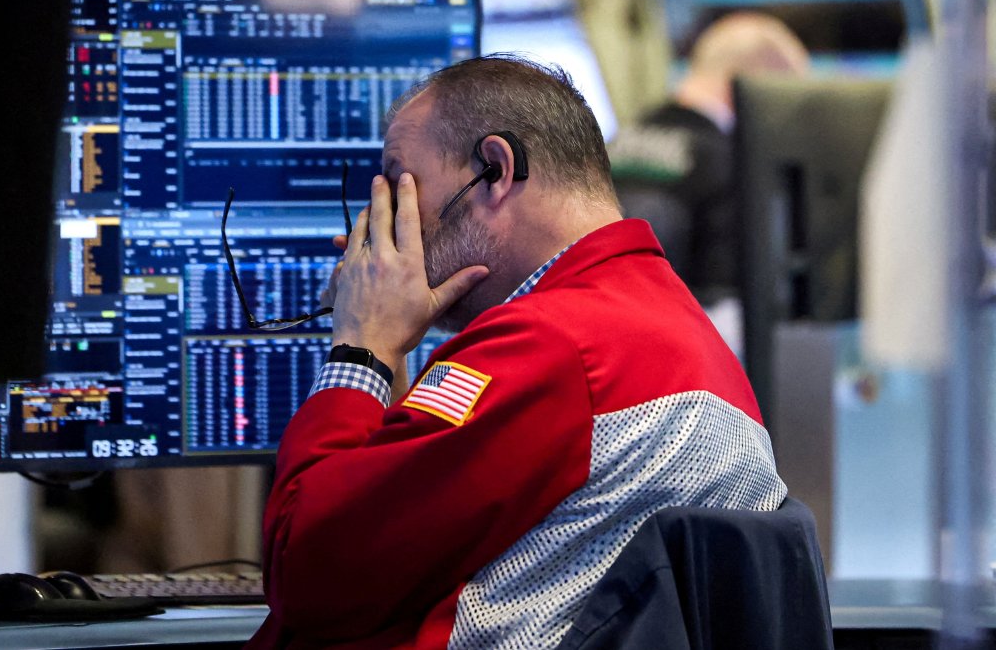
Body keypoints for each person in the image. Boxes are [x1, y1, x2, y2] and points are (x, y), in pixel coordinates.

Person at [246, 55, 787, 649]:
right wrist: (395, 356)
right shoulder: (656, 325)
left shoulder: (549, 348)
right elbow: (413, 542)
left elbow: (308, 571)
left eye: (399, 188)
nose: (378, 232)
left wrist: (359, 350)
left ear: (496, 170)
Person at [607, 13, 809, 351]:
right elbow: (727, 315)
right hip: (678, 362)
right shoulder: (732, 164)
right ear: (753, 85)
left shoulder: (614, 143)